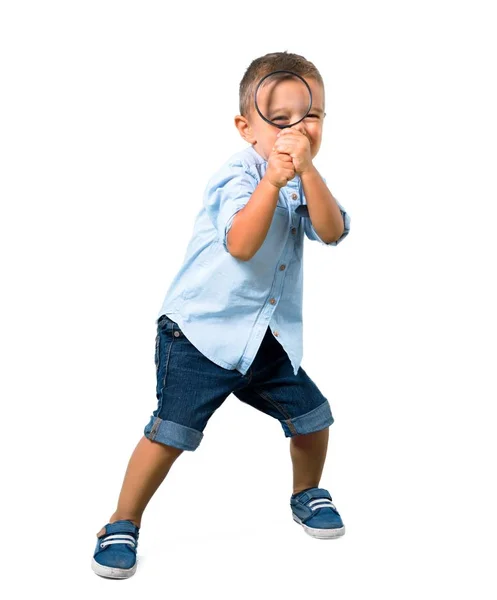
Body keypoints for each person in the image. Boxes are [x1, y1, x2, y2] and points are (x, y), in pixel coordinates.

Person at [91, 51, 351, 579]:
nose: (298, 129)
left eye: (312, 116)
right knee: (173, 431)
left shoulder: (306, 177)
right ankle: (121, 521)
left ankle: (307, 492)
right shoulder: (236, 175)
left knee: (312, 418)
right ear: (246, 127)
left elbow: (332, 230)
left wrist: (306, 171)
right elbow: (240, 243)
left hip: (264, 337)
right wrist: (273, 182)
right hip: (200, 335)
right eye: (280, 120)